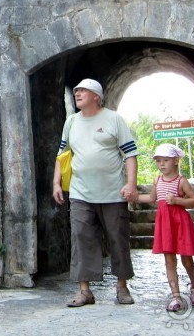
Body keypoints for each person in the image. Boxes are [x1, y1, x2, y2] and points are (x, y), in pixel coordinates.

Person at [52, 78, 139, 307]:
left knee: (118, 238)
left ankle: (122, 287)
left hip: (113, 192)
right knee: (81, 237)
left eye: (83, 90)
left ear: (96, 96)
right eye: (76, 90)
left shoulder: (113, 119)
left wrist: (131, 184)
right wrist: (56, 183)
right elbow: (62, 155)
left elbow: (130, 153)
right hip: (80, 192)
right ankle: (85, 291)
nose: (77, 93)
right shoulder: (71, 122)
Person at [137, 143, 194, 311]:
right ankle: (176, 296)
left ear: (176, 161)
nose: (162, 164)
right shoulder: (157, 180)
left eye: (166, 160)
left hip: (180, 223)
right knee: (169, 260)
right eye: (158, 161)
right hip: (165, 224)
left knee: (187, 260)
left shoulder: (181, 181)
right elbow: (151, 198)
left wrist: (177, 201)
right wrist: (134, 197)